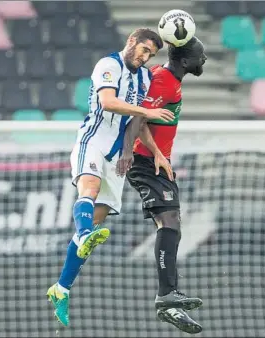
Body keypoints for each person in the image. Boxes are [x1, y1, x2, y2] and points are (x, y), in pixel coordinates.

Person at [46, 28, 175, 327]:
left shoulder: (144, 78)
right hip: (92, 141)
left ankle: (61, 288)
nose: (144, 57)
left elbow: (137, 121)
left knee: (96, 221)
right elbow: (109, 102)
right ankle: (81, 235)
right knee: (87, 190)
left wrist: (154, 151)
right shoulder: (108, 65)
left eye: (150, 55)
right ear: (131, 41)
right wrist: (148, 112)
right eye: (143, 49)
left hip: (116, 155)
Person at [116, 36, 208, 334]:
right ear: (184, 61)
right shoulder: (164, 81)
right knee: (168, 223)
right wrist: (134, 152)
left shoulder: (167, 77)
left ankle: (168, 298)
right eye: (200, 55)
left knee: (172, 225)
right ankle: (166, 296)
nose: (204, 59)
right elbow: (138, 118)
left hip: (158, 162)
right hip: (146, 161)